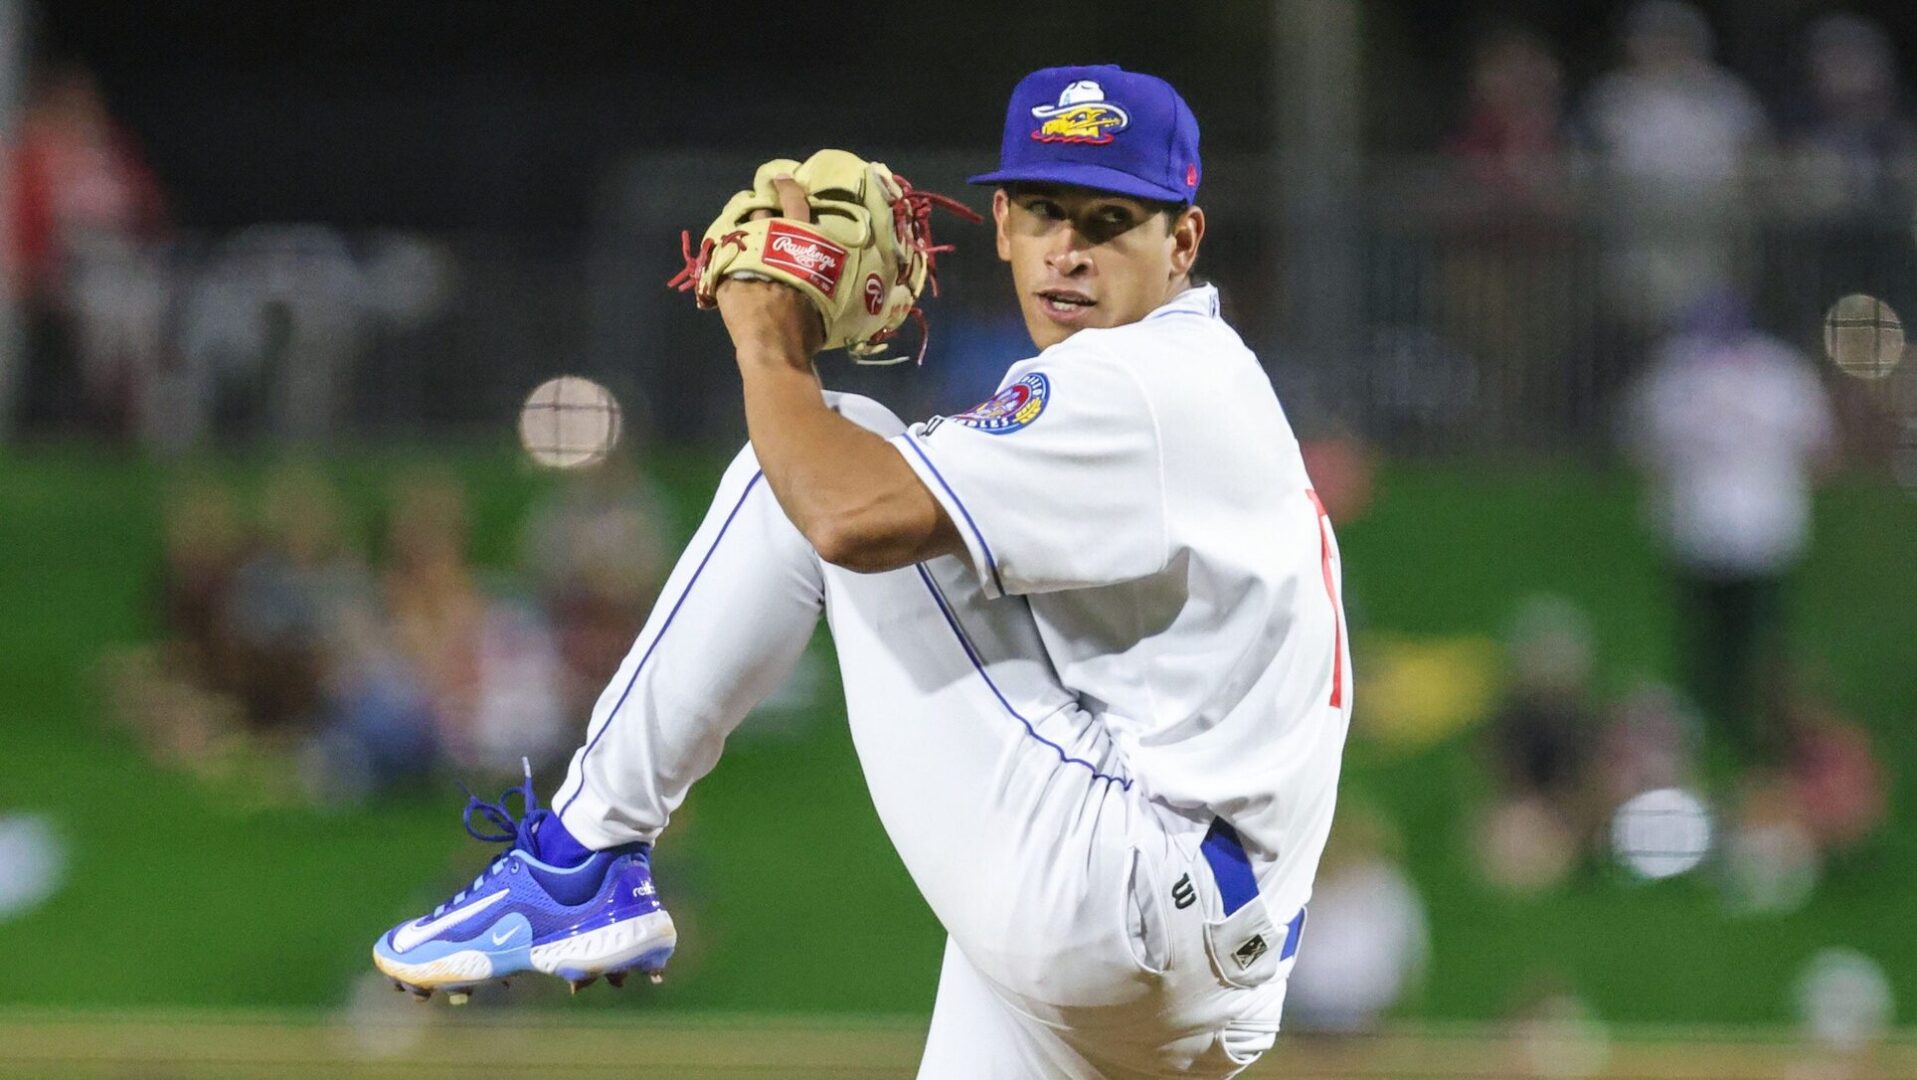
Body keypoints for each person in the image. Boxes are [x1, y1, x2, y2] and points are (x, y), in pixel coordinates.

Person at [372, 65, 1352, 1078]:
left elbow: (845, 514)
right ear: (1002, 221)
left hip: (1127, 890)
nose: (1068, 250)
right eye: (1046, 211)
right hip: (1205, 967)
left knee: (819, 446)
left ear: (1181, 243)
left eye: (1109, 221)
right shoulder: (1202, 382)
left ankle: (581, 857)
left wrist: (768, 338)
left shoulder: (1144, 378)